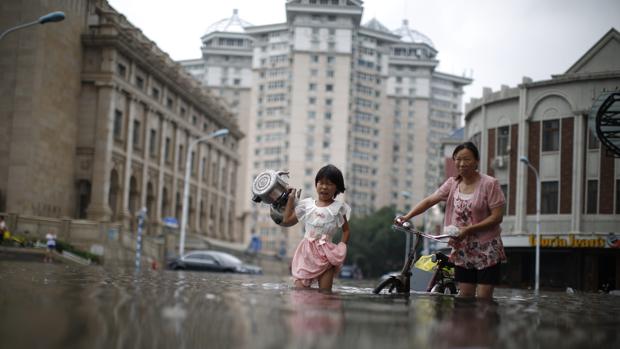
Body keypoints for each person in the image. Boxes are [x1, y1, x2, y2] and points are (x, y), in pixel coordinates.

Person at [395, 141, 506, 299]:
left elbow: (497, 216)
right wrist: (407, 216)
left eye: (466, 159)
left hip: (487, 248)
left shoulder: (489, 184)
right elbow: (429, 201)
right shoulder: (452, 183)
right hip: (462, 249)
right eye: (458, 159)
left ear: (476, 161)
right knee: (465, 297)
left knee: (483, 300)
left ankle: (484, 324)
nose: (461, 163)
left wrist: (468, 230)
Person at [281, 164, 350, 291]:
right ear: (316, 184)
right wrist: (290, 200)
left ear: (337, 188)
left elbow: (346, 230)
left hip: (326, 256)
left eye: (329, 184)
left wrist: (341, 248)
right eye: (321, 183)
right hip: (306, 254)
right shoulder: (307, 205)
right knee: (300, 293)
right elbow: (286, 221)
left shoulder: (339, 208)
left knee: (325, 294)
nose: (324, 187)